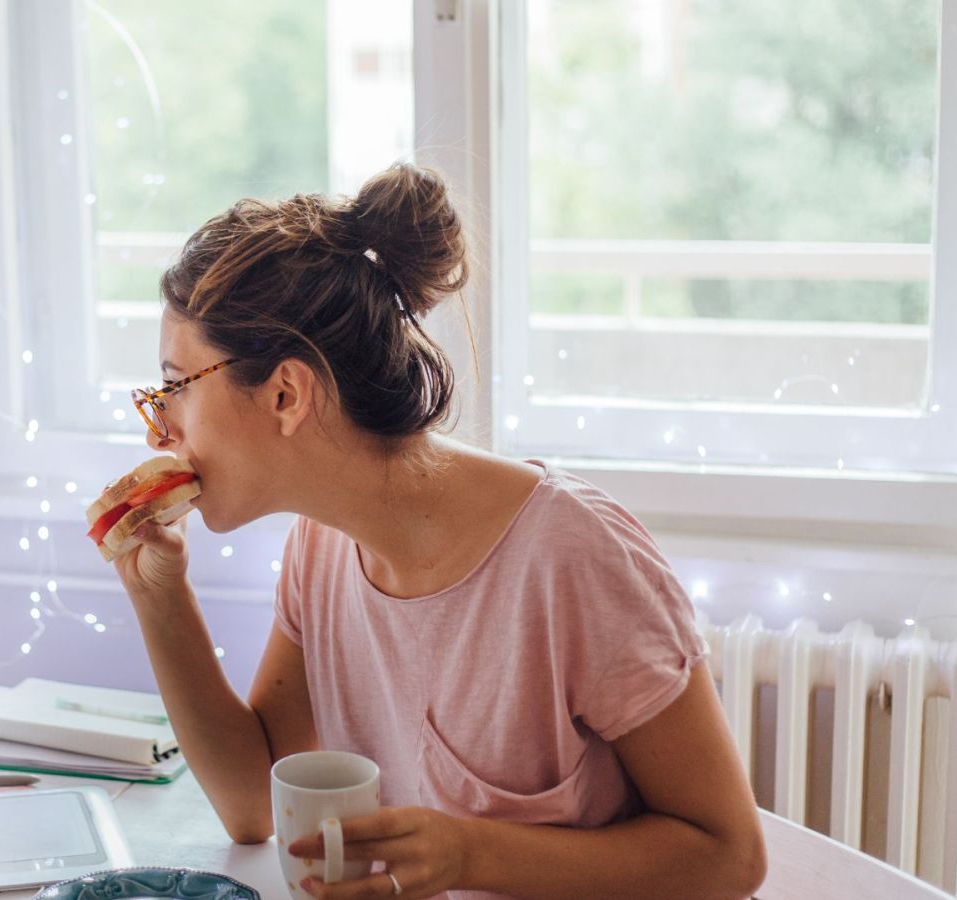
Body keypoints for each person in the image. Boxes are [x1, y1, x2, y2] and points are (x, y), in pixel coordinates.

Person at [109, 162, 766, 900]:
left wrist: (470, 855)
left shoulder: (571, 557)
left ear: (286, 394)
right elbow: (255, 807)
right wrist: (158, 596)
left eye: (174, 388)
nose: (157, 431)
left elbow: (729, 857)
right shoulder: (321, 548)